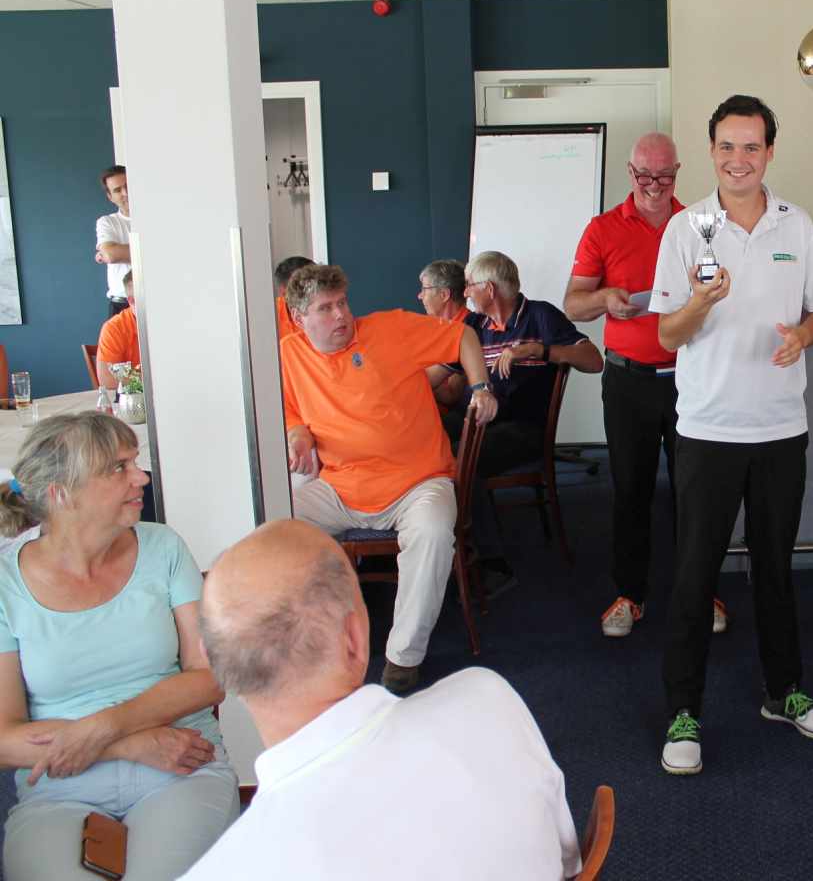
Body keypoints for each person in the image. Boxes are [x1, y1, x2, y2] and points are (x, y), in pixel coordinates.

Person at [185, 519, 580, 880]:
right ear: (355, 639)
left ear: (214, 662)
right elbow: (569, 861)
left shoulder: (229, 868)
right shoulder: (487, 697)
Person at [651, 94, 813, 776]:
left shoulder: (798, 225)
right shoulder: (686, 229)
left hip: (781, 428)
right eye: (727, 147)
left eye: (751, 147)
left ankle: (784, 692)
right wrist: (700, 303)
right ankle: (683, 711)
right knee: (693, 576)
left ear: (769, 152)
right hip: (708, 429)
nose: (739, 159)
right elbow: (666, 334)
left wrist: (803, 337)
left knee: (775, 570)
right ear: (711, 151)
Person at [0, 412, 238, 881]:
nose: (141, 477)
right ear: (62, 494)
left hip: (182, 762)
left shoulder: (164, 548)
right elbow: (4, 739)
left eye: (135, 461)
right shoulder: (6, 583)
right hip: (58, 786)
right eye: (118, 467)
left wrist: (105, 725)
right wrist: (125, 743)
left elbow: (210, 677)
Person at [279, 264, 499, 694]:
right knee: (276, 527)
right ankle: (318, 638)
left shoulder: (391, 329)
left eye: (343, 302)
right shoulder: (289, 354)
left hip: (419, 481)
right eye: (326, 308)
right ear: (299, 318)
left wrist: (480, 388)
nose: (341, 315)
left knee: (433, 532)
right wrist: (297, 432)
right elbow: (290, 410)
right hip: (341, 487)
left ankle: (403, 659)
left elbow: (463, 337)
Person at [566, 133, 728, 639]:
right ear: (630, 173)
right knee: (630, 490)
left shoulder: (699, 224)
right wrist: (605, 299)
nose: (654, 186)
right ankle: (629, 594)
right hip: (628, 381)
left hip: (691, 379)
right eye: (644, 177)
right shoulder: (602, 228)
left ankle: (699, 591)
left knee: (695, 493)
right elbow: (573, 303)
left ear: (678, 172)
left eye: (665, 177)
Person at [445, 251, 602, 479]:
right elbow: (440, 372)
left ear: (489, 289)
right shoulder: (473, 323)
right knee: (424, 439)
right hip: (472, 417)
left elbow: (594, 361)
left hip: (520, 426)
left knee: (456, 456)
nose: (465, 293)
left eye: (469, 285)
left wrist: (537, 349)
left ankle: (468, 503)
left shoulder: (541, 315)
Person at [417, 258, 471, 410]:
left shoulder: (468, 331)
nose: (420, 296)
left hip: (445, 418)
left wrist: (410, 373)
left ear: (444, 294)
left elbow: (451, 395)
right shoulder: (434, 328)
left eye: (424, 289)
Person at [94, 165, 132, 318]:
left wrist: (120, 251)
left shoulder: (158, 218)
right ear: (110, 197)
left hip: (158, 299)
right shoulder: (107, 222)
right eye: (117, 190)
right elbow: (111, 255)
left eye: (128, 186)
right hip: (122, 305)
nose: (125, 193)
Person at [95, 270, 141, 388]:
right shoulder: (114, 328)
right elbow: (107, 379)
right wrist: (149, 378)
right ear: (132, 301)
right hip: (134, 397)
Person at [274, 255, 314, 339]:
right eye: (303, 286)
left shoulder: (333, 309)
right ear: (283, 292)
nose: (315, 290)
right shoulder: (272, 314)